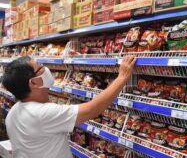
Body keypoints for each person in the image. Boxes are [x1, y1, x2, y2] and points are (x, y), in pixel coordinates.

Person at [2, 55, 136, 158]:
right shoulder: (41, 114)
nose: (46, 69)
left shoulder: (14, 111)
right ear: (34, 83)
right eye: (40, 67)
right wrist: (122, 77)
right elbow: (93, 109)